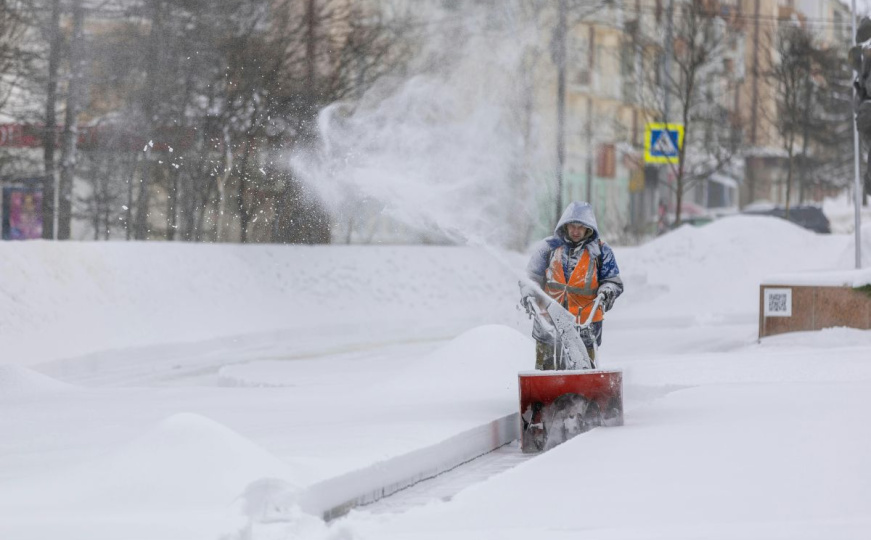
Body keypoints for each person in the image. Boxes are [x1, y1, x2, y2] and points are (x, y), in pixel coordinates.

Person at [525, 201, 623, 370]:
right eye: (572, 226)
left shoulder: (600, 252)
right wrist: (528, 293)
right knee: (546, 367)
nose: (576, 231)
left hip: (585, 324)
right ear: (565, 225)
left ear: (589, 228)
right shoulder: (549, 247)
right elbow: (531, 277)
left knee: (584, 367)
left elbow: (612, 281)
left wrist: (607, 291)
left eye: (580, 227)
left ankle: (584, 395)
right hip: (548, 321)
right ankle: (546, 394)